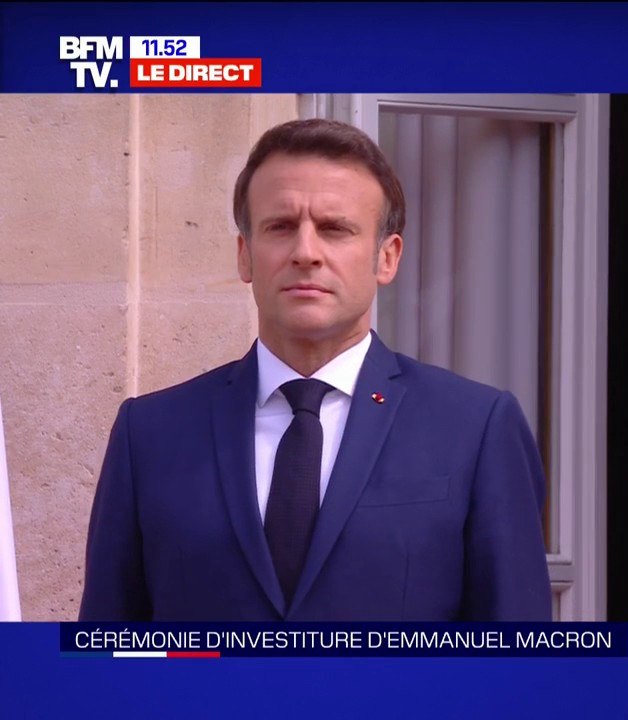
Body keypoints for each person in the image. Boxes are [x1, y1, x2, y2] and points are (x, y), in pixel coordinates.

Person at [79, 119, 552, 621]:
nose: (306, 252)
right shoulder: (150, 434)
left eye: (334, 229)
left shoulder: (475, 428)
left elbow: (514, 647)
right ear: (245, 255)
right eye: (280, 227)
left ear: (386, 258)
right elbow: (108, 646)